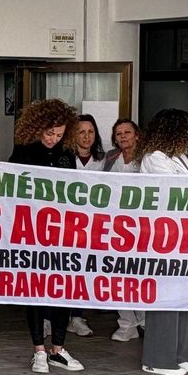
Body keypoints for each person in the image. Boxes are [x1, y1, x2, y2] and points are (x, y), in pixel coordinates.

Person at [10, 99, 85, 374]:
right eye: (49, 133)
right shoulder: (24, 151)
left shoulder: (66, 152)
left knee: (62, 291)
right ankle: (39, 350)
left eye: (59, 134)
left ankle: (58, 349)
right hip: (33, 231)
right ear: (37, 129)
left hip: (62, 231)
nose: (54, 139)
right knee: (36, 291)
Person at [134, 110, 188, 375]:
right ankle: (158, 358)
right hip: (163, 236)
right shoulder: (154, 159)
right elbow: (177, 191)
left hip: (186, 235)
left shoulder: (180, 157)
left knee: (183, 297)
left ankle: (179, 354)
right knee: (165, 297)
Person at [62, 113, 109, 338]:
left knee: (84, 271)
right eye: (81, 131)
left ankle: (77, 316)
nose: (87, 136)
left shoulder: (104, 160)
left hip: (91, 224)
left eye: (91, 131)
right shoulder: (62, 157)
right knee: (62, 270)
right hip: (64, 222)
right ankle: (52, 317)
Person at [105, 118, 145, 342]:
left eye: (127, 132)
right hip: (116, 224)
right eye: (118, 133)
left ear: (137, 135)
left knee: (141, 272)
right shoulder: (111, 158)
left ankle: (145, 320)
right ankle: (127, 322)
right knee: (119, 273)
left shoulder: (148, 157)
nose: (123, 137)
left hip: (143, 224)